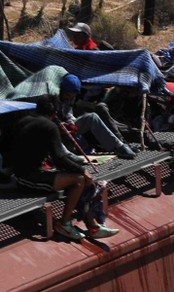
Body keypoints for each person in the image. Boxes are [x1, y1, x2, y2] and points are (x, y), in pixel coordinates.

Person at [3, 104, 109, 240]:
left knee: (78, 182)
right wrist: (82, 170)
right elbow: (59, 158)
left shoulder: (23, 121)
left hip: (21, 174)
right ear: (53, 114)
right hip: (28, 179)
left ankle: (93, 226)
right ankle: (65, 224)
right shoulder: (49, 127)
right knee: (79, 180)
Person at [57, 74, 137, 160]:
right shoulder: (53, 98)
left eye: (73, 95)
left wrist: (71, 123)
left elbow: (68, 113)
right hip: (57, 132)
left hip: (67, 129)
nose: (70, 97)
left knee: (92, 117)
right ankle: (68, 155)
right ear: (63, 90)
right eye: (68, 95)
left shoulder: (71, 97)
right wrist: (61, 125)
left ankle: (119, 146)